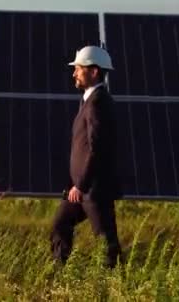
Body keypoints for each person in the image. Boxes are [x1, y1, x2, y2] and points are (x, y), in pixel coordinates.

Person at [50, 45, 122, 268]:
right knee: (60, 225)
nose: (74, 73)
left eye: (78, 68)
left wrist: (80, 185)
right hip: (82, 188)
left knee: (105, 241)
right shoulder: (89, 101)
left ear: (94, 72)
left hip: (94, 189)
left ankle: (116, 286)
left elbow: (96, 147)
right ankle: (61, 277)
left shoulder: (98, 103)